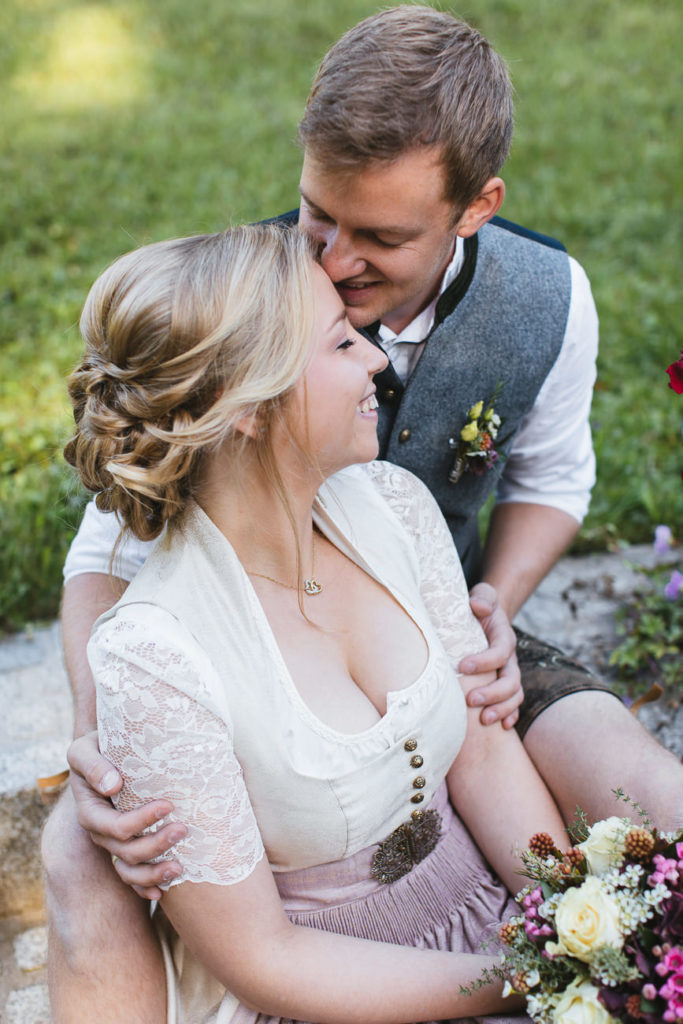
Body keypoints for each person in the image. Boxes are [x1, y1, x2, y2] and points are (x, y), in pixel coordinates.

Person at [43, 7, 683, 1022]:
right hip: (254, 650)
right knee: (85, 849)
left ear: (475, 207)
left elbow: (554, 483)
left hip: (444, 609)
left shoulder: (543, 302)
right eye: (315, 218)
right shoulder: (244, 305)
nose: (334, 264)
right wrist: (99, 735)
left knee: (649, 790)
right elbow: (111, 533)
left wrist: (486, 610)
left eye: (378, 237)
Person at [61, 220, 569, 1023]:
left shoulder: (396, 509)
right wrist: (521, 977)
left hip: (492, 922)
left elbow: (482, 752)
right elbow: (266, 961)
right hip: (328, 994)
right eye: (340, 345)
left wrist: (576, 925)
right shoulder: (156, 658)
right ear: (247, 411)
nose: (375, 359)